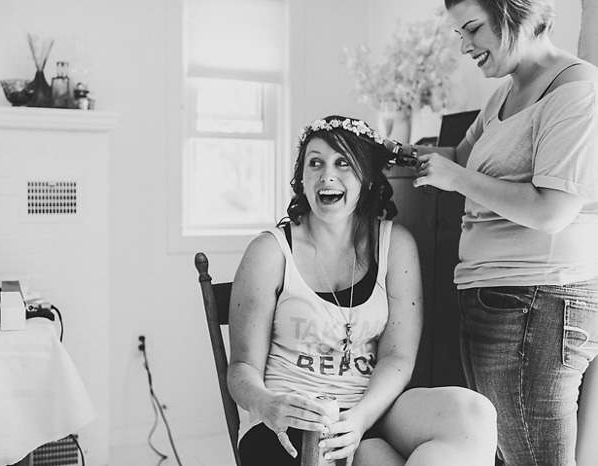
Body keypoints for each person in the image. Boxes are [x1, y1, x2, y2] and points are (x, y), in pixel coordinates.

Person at [388, 1, 598, 464]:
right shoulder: (504, 93)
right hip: (496, 297)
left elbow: (553, 212)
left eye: (472, 29)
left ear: (512, 14)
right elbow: (459, 158)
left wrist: (455, 178)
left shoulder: (577, 90)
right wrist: (392, 150)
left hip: (536, 303)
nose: (464, 45)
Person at [227, 115, 498, 466]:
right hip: (289, 420)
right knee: (375, 457)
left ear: (366, 179)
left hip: (369, 411)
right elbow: (241, 367)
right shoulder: (269, 251)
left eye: (343, 163)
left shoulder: (395, 245)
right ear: (302, 179)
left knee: (473, 414)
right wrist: (266, 404)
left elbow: (397, 357)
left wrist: (359, 420)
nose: (327, 174)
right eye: (315, 163)